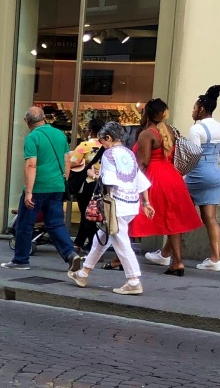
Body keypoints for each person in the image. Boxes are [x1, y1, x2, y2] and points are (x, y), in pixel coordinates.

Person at [67, 122, 155, 296]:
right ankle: (83, 273)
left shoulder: (109, 155)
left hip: (115, 204)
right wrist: (146, 203)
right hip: (131, 203)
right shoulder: (129, 153)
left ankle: (133, 280)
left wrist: (95, 175)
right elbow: (140, 180)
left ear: (108, 138)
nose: (102, 145)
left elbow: (108, 181)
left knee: (121, 242)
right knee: (101, 238)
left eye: (103, 141)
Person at [2, 105, 80, 272]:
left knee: (24, 224)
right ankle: (70, 254)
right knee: (56, 224)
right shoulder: (59, 134)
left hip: (38, 187)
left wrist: (28, 192)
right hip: (57, 186)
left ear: (27, 121)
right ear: (44, 118)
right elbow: (67, 161)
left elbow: (31, 165)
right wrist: (62, 180)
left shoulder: (32, 138)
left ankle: (21, 260)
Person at [128, 98, 200, 275]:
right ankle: (178, 262)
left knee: (131, 216)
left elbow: (143, 163)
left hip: (154, 178)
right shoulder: (170, 131)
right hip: (173, 177)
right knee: (173, 220)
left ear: (147, 114)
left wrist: (132, 182)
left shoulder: (147, 134)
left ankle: (121, 259)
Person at [180, 84, 220, 271]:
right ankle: (216, 259)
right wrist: (211, 162)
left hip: (197, 175)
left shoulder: (197, 129)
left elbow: (192, 156)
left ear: (201, 109)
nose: (192, 111)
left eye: (194, 108)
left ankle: (167, 254)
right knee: (210, 218)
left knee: (181, 213)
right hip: (216, 174)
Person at [67, 115, 107, 253]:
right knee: (95, 215)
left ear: (91, 131)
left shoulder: (84, 145)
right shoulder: (107, 146)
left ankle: (91, 245)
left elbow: (73, 162)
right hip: (102, 184)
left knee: (87, 215)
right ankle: (79, 243)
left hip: (88, 184)